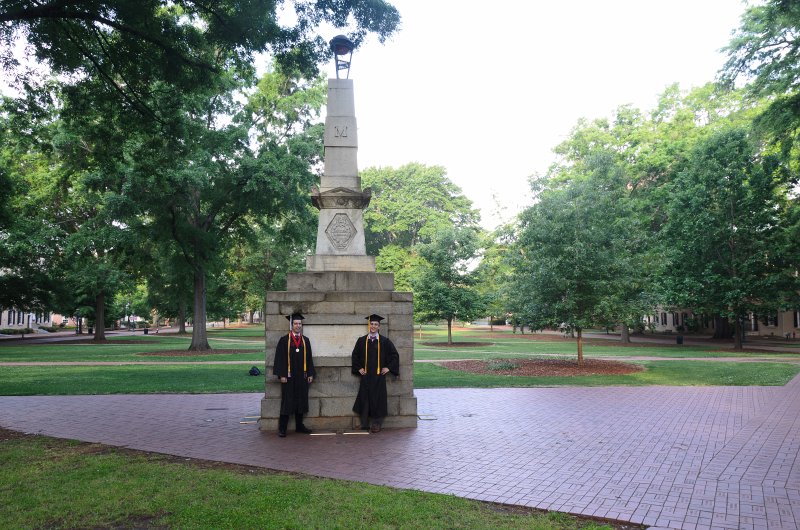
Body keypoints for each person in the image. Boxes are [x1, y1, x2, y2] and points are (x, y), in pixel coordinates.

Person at [351, 314, 399, 433]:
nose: (373, 326)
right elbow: (355, 355)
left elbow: (394, 355)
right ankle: (365, 423)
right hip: (366, 376)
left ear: (379, 326)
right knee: (365, 398)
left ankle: (377, 424)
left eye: (376, 324)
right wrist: (359, 368)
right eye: (371, 324)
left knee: (378, 399)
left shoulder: (384, 341)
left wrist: (388, 368)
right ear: (369, 325)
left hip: (378, 377)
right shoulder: (362, 341)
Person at [272, 313, 315, 437]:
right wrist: (282, 375)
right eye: (295, 323)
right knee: (287, 401)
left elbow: (309, 358)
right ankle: (282, 428)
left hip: (302, 376)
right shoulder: (284, 340)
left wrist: (310, 373)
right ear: (291, 325)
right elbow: (280, 358)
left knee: (301, 400)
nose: (298, 326)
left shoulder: (305, 341)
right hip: (289, 377)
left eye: (299, 324)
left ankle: (299, 426)